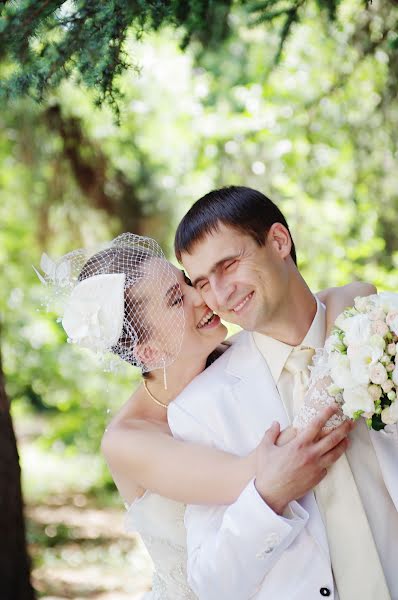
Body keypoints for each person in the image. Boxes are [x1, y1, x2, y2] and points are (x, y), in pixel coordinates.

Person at [39, 233, 372, 600]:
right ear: (149, 351)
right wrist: (334, 380)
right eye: (176, 299)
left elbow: (349, 294)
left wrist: (340, 351)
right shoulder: (128, 439)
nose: (203, 295)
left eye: (185, 281)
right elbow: (262, 474)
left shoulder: (241, 354)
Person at [169, 185, 398, 600]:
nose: (219, 295)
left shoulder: (386, 329)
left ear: (278, 241)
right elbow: (211, 585)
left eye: (229, 264)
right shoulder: (199, 408)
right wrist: (269, 498)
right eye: (202, 282)